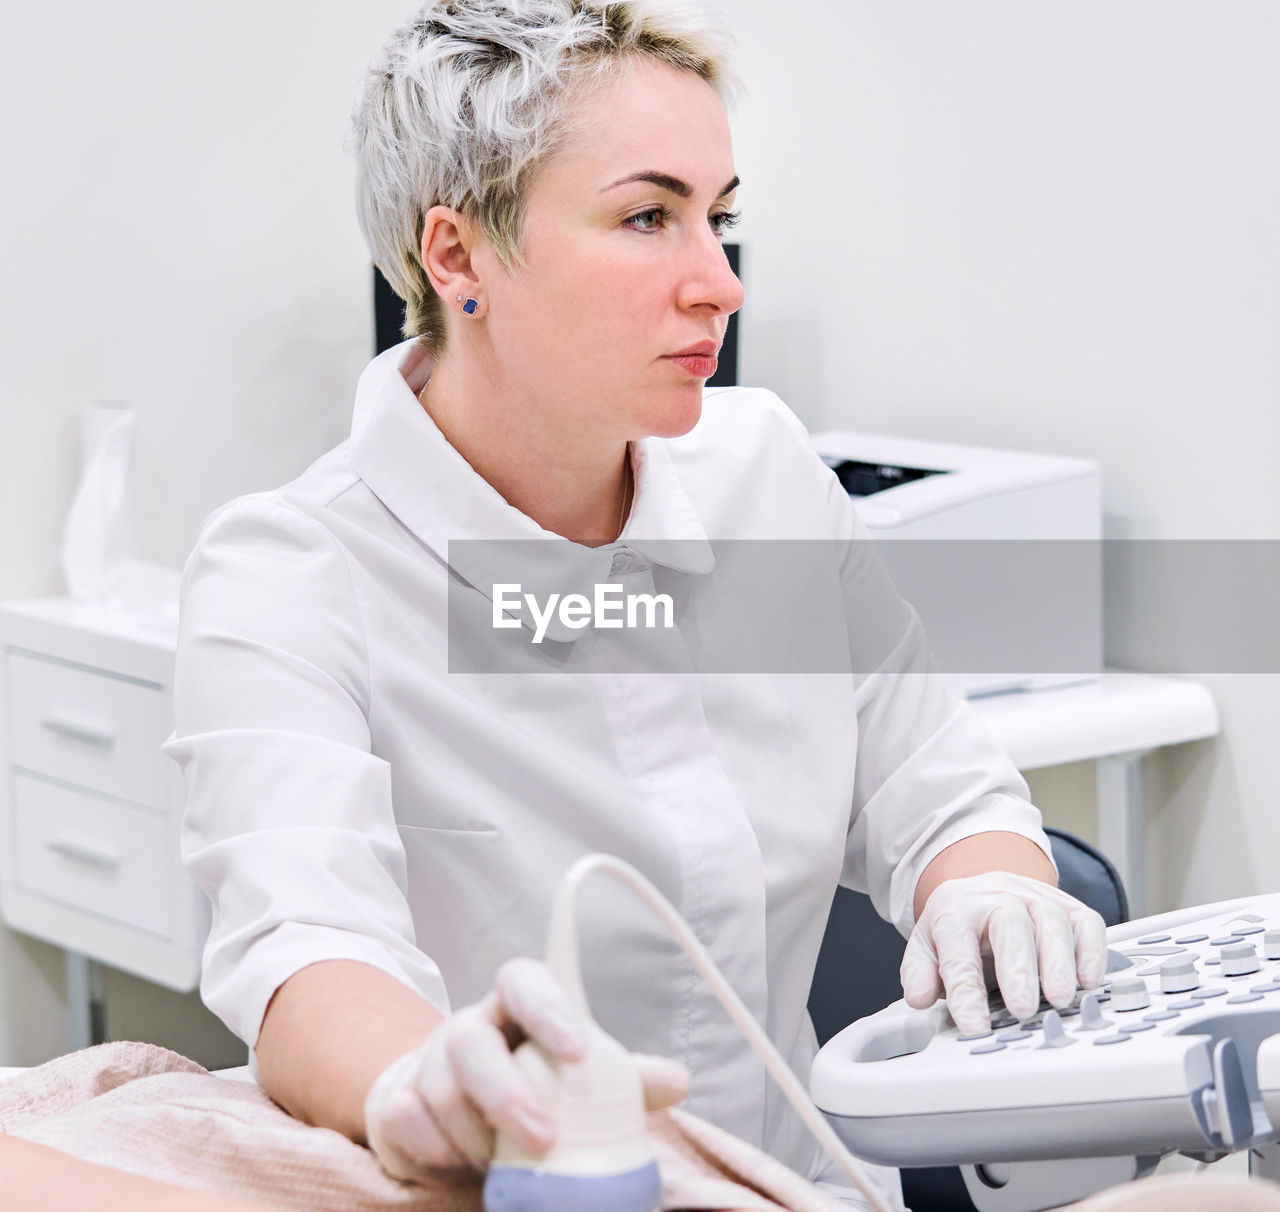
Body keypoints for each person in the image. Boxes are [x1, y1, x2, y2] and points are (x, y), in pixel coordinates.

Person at [165, 0, 1107, 1205]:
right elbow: (306, 955)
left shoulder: (764, 474)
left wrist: (987, 881)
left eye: (717, 219)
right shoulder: (289, 575)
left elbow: (939, 786)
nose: (718, 284)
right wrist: (433, 1081)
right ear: (456, 258)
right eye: (646, 217)